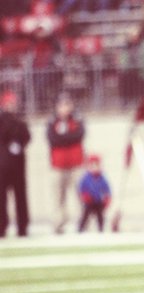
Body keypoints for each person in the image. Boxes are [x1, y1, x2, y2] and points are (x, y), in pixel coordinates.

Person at [46, 92, 86, 234]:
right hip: (58, 166)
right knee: (58, 197)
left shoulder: (78, 120)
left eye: (67, 104)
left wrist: (64, 138)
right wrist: (67, 138)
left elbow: (78, 135)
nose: (64, 108)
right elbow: (53, 139)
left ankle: (84, 223)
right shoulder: (52, 122)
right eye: (61, 105)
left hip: (76, 164)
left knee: (81, 194)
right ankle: (59, 224)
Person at [0, 90, 31, 239]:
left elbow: (26, 137)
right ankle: (2, 227)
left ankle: (22, 227)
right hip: (3, 165)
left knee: (20, 196)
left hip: (18, 165)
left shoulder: (20, 121)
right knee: (1, 197)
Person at [77, 154, 111, 232]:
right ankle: (80, 228)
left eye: (97, 165)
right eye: (92, 165)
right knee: (85, 215)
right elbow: (81, 188)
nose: (95, 168)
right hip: (89, 202)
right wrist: (85, 196)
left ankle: (101, 228)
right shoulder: (86, 178)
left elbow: (106, 189)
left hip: (98, 201)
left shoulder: (102, 178)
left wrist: (107, 198)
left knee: (100, 215)